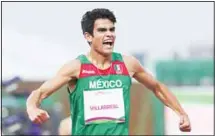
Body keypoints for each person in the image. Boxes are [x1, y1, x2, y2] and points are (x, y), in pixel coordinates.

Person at [26, 8, 191, 135]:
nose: (109, 35)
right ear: (88, 36)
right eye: (102, 30)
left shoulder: (128, 64)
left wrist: (181, 113)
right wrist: (32, 108)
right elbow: (39, 92)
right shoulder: (76, 67)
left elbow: (157, 87)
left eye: (112, 30)